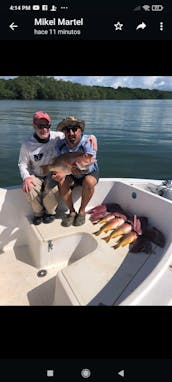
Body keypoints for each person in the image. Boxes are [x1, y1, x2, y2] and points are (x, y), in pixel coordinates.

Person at [18, 111, 97, 225]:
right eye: (40, 126)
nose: (44, 129)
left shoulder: (58, 136)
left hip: (54, 172)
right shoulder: (27, 144)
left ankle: (50, 213)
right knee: (29, 188)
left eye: (47, 126)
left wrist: (93, 137)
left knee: (54, 189)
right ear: (34, 126)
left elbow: (80, 138)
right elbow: (22, 164)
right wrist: (26, 177)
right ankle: (38, 213)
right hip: (37, 174)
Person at [53, 116, 99, 227]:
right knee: (61, 182)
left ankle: (82, 211)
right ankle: (72, 211)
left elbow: (91, 164)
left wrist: (84, 169)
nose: (71, 133)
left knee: (89, 182)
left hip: (88, 172)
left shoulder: (88, 141)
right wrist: (57, 173)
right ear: (63, 132)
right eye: (67, 129)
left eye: (74, 129)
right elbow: (58, 164)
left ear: (80, 131)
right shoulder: (59, 145)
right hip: (70, 172)